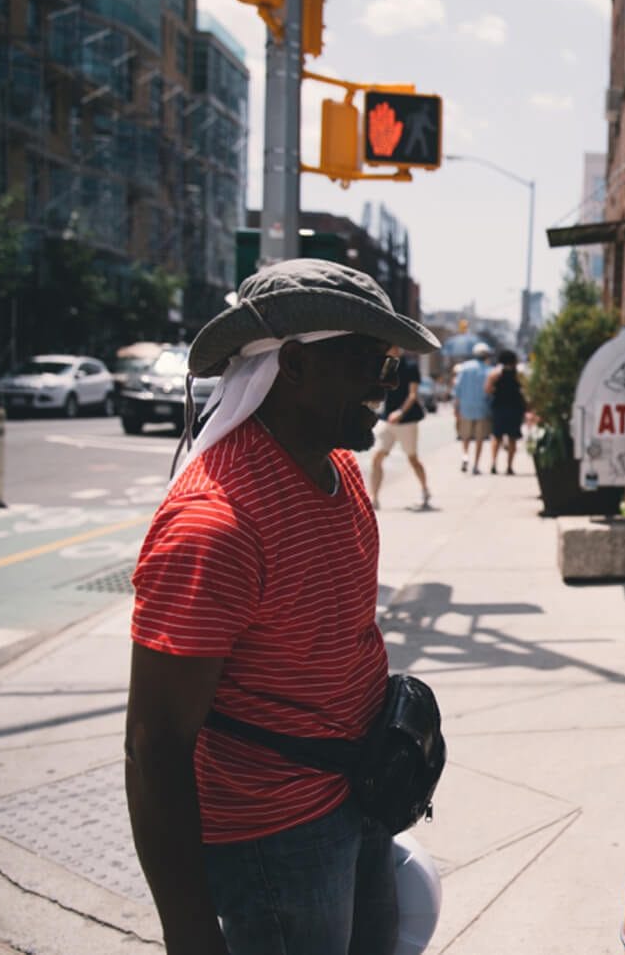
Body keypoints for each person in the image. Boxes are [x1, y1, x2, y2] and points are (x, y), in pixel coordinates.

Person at [124, 259, 440, 955]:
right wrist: (188, 929)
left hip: (359, 799)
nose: (386, 390)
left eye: (390, 368)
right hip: (276, 841)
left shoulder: (341, 471)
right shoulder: (215, 524)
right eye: (372, 365)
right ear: (293, 364)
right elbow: (155, 747)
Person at [370, 346, 431, 510]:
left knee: (412, 459)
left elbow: (413, 395)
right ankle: (374, 498)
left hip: (407, 420)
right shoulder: (385, 366)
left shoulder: (410, 367)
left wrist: (400, 412)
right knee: (377, 457)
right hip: (386, 420)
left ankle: (425, 490)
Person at [485, 349, 527, 475]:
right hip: (515, 408)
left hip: (499, 407)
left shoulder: (495, 374)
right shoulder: (518, 374)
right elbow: (526, 389)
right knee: (512, 438)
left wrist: (497, 392)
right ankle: (509, 466)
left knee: (497, 437)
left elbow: (487, 389)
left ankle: (493, 463)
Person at [453, 342, 492, 475]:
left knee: (465, 436)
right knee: (480, 438)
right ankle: (476, 465)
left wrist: (456, 407)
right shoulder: (488, 370)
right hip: (482, 407)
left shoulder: (464, 368)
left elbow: (457, 389)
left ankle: (465, 456)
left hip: (465, 407)